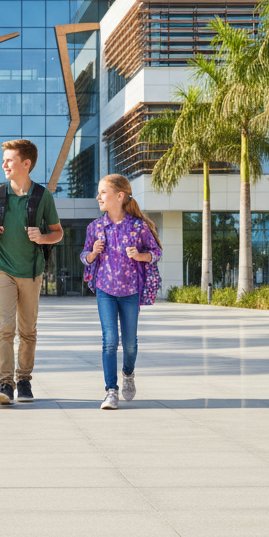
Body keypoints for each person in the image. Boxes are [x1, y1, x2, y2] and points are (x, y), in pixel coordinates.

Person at [0, 139, 63, 405]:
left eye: (9, 160)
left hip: (31, 270)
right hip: (2, 268)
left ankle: (24, 380)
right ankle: (5, 383)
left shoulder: (43, 196)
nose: (4, 164)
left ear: (26, 164)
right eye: (3, 160)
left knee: (27, 330)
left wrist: (42, 237)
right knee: (5, 328)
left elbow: (58, 233)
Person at [82, 174, 162, 410]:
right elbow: (84, 257)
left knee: (129, 344)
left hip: (130, 292)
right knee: (109, 341)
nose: (98, 197)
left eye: (103, 192)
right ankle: (111, 391)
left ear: (119, 196)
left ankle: (128, 373)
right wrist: (93, 253)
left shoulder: (138, 227)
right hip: (104, 290)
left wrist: (140, 255)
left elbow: (156, 252)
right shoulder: (95, 227)